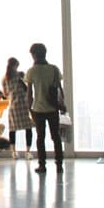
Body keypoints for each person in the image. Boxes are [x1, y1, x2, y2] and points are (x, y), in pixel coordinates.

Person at [24, 42, 65, 174]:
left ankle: (42, 165)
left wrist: (29, 109)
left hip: (38, 109)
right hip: (53, 109)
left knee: (40, 137)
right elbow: (60, 90)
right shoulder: (54, 69)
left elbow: (29, 94)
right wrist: (61, 104)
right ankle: (59, 165)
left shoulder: (31, 71)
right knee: (56, 137)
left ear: (34, 55)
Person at [2, 56, 34, 159]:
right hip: (23, 104)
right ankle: (28, 152)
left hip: (13, 105)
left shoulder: (5, 79)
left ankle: (13, 152)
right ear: (15, 66)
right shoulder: (20, 76)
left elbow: (5, 93)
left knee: (12, 129)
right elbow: (27, 89)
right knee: (28, 128)